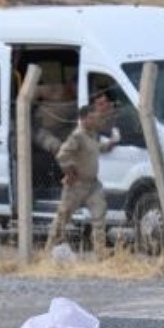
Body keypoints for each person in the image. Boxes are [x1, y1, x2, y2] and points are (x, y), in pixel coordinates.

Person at [47, 104, 113, 253]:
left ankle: (100, 252)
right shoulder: (77, 136)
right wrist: (70, 172)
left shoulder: (92, 135)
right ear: (83, 119)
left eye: (96, 118)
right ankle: (49, 249)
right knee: (63, 218)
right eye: (92, 118)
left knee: (99, 217)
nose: (95, 121)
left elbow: (96, 147)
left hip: (92, 185)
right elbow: (62, 155)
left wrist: (109, 145)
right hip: (77, 185)